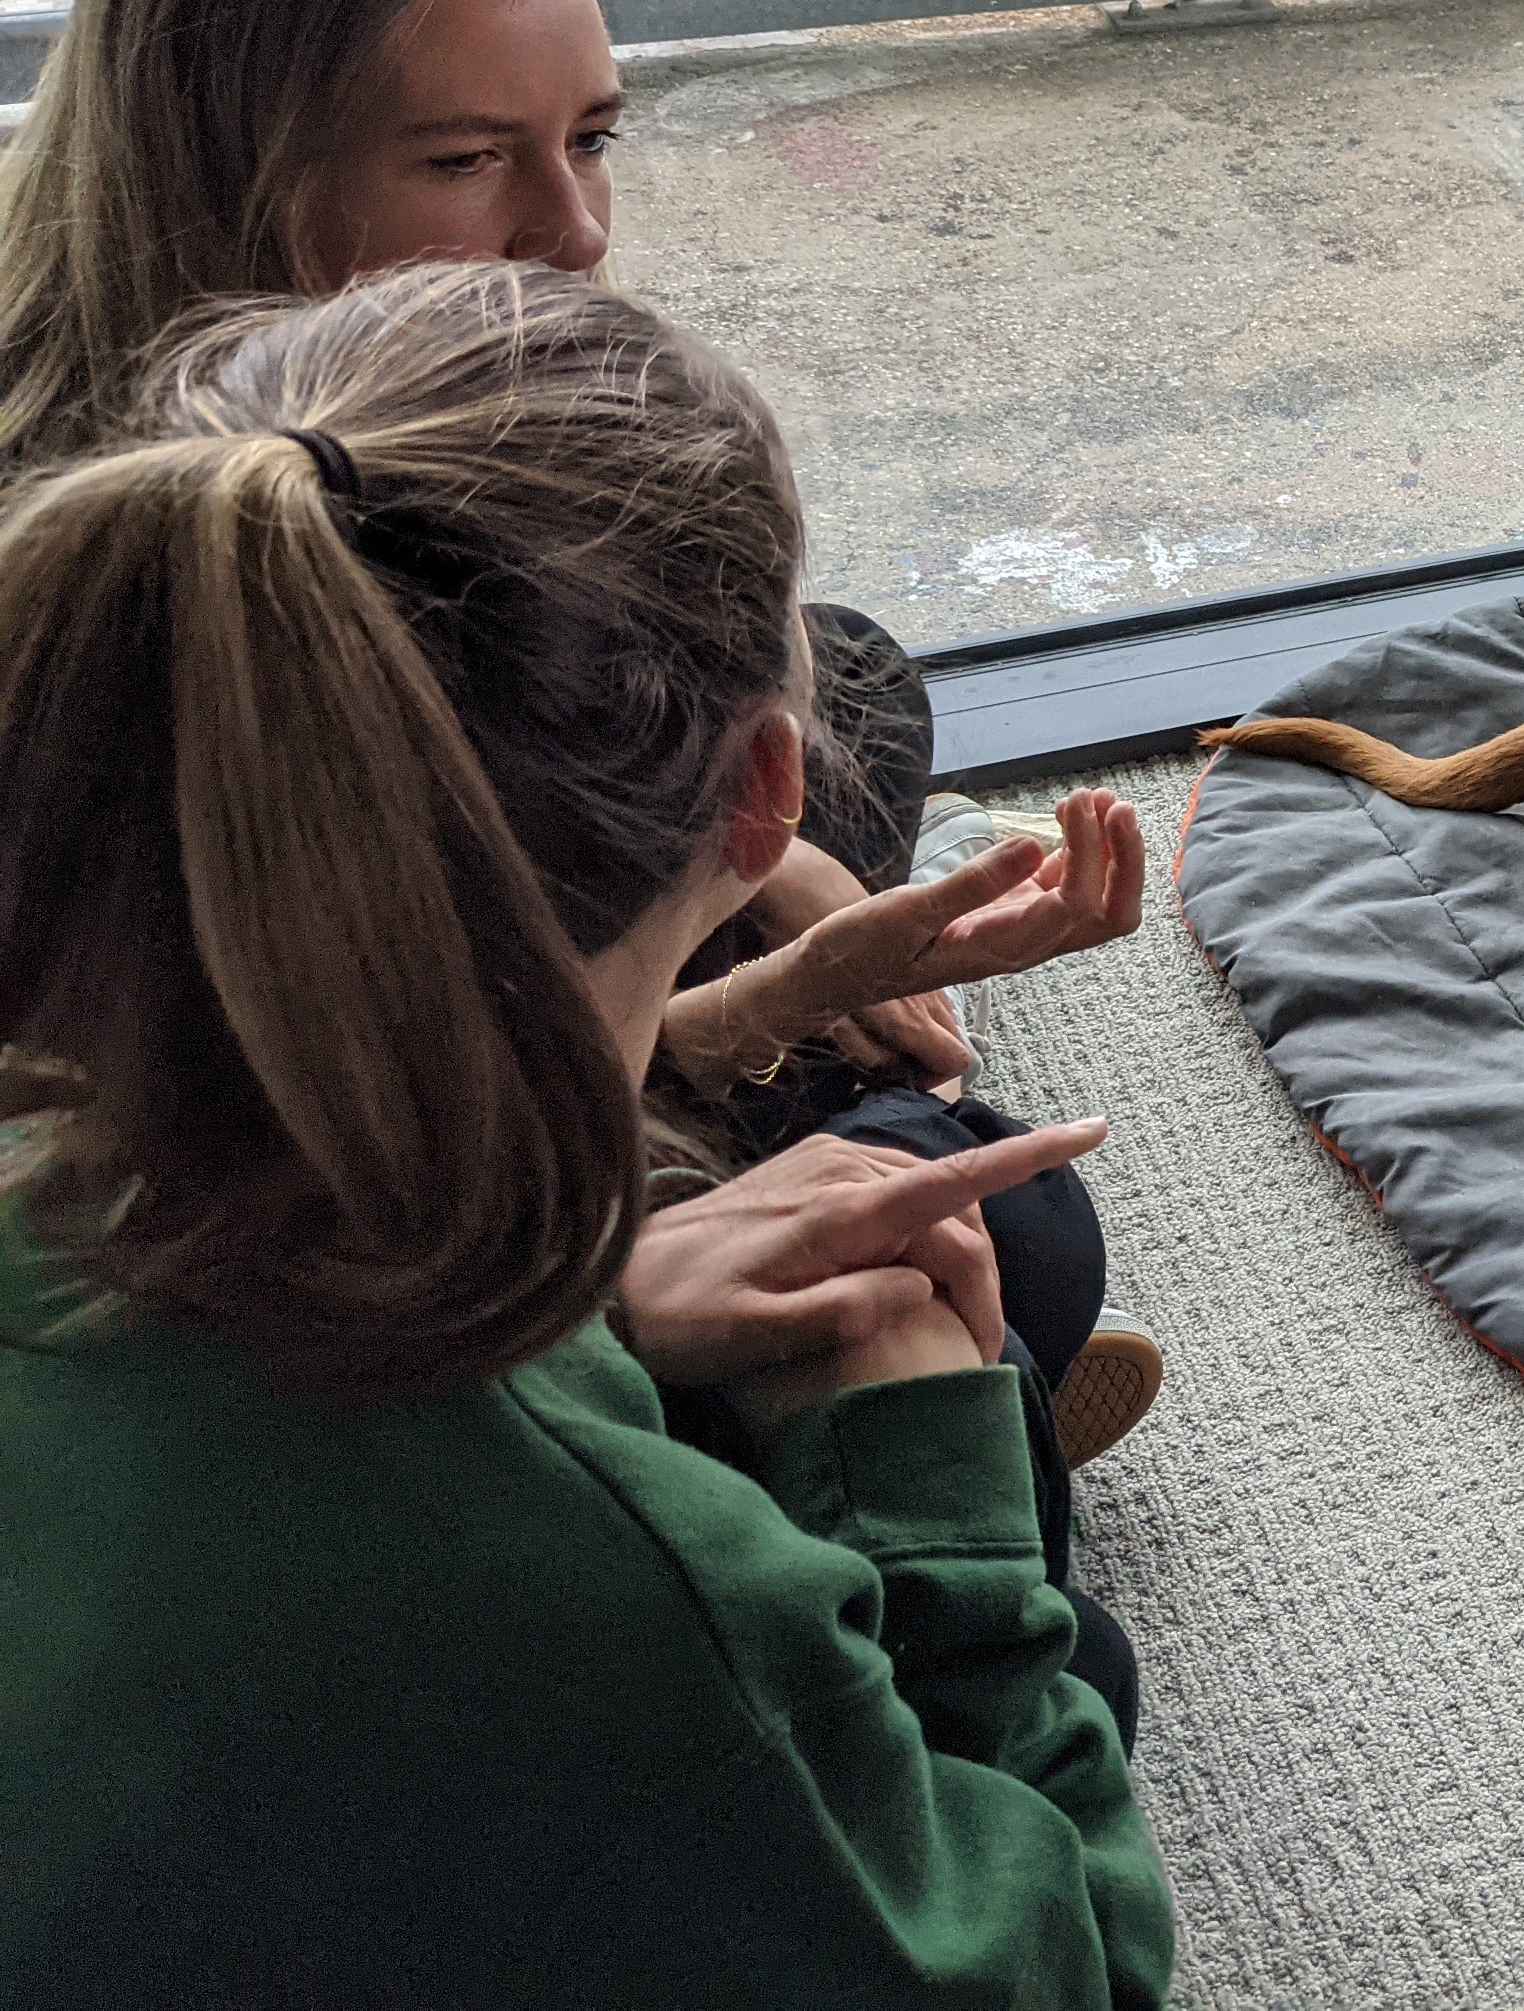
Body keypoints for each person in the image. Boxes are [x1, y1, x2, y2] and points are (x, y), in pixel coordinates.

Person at [0, 262, 1173, 2007]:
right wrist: (946, 1521)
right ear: (767, 793)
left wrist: (606, 1295)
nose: (566, 210)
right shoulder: (637, 1583)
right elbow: (1057, 1964)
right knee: (978, 1357)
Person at [0, 0, 1159, 1458]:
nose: (577, 229)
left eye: (592, 135)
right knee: (1000, 1225)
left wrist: (772, 877)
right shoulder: (128, 591)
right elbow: (265, 1214)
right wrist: (641, 1231)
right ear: (229, 167)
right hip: (382, 1222)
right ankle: (900, 1355)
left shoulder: (403, 392)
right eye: (469, 159)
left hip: (496, 986)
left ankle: (880, 1202)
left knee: (846, 682)